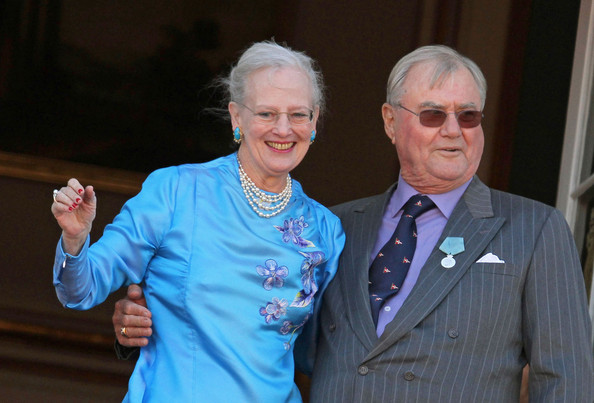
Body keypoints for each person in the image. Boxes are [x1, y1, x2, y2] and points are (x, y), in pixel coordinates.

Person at [113, 45, 594, 401]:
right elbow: (271, 336)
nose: (453, 130)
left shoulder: (535, 229)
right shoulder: (334, 227)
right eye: (433, 114)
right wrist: (153, 319)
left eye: (468, 116)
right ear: (390, 121)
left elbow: (566, 380)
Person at [51, 40, 345, 402]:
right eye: (267, 114)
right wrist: (76, 240)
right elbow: (81, 290)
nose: (283, 129)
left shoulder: (325, 230)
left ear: (314, 121)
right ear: (237, 117)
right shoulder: (177, 190)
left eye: (298, 114)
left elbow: (324, 355)